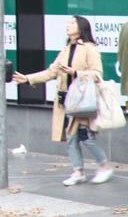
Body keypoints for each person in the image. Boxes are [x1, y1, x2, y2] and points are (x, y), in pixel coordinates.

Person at [12, 15, 113, 186]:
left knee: (85, 136)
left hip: (82, 101)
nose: (68, 26)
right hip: (66, 102)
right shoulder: (66, 49)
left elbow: (97, 74)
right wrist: (28, 79)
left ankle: (104, 166)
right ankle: (78, 171)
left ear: (81, 27)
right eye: (68, 23)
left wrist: (76, 73)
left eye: (72, 23)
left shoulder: (90, 48)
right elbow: (51, 72)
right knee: (71, 137)